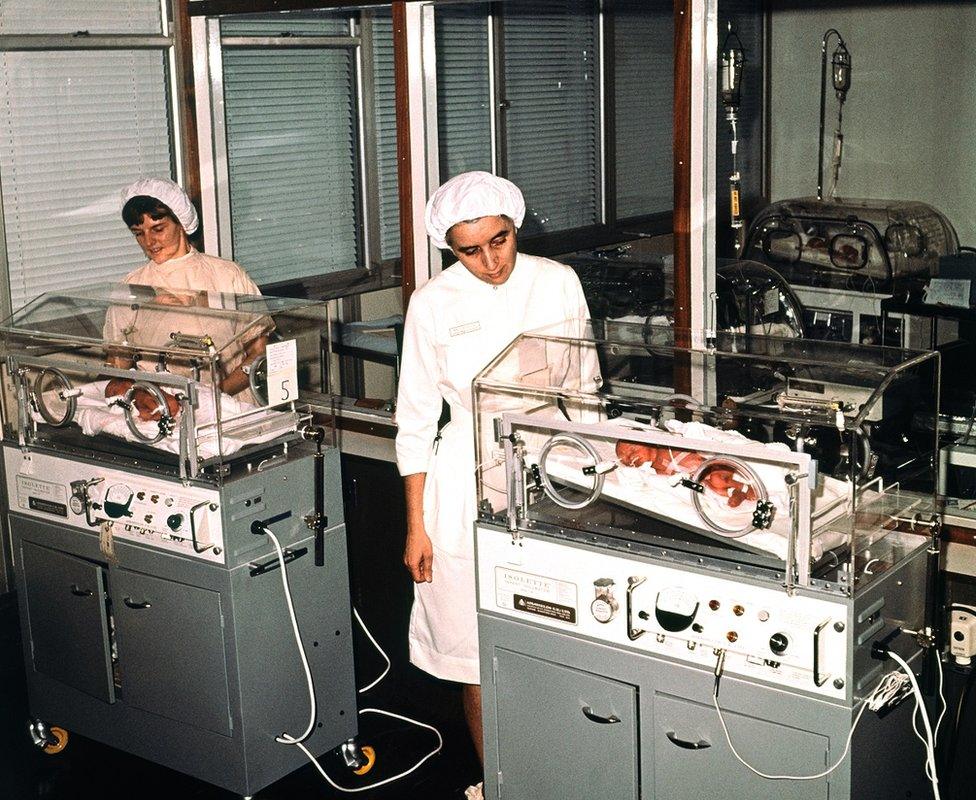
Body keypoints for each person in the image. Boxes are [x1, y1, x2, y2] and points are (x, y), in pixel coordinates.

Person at [394, 171, 591, 775]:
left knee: (561, 625)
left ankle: (565, 774)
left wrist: (596, 479)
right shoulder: (433, 303)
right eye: (469, 250)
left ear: (515, 226)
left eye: (498, 241)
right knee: (473, 650)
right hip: (462, 481)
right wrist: (416, 528)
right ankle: (499, 780)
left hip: (554, 466)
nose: (489, 261)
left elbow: (584, 391)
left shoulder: (557, 282)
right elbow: (416, 420)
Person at [103, 178, 267, 420]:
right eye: (139, 233)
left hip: (230, 405)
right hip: (162, 410)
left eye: (158, 229)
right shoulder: (131, 286)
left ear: (181, 222)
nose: (149, 242)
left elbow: (259, 352)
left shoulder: (227, 275)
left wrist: (214, 397)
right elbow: (117, 367)